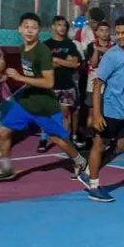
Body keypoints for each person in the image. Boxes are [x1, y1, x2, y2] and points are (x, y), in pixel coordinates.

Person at [0, 13, 89, 183]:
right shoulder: (21, 48)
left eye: (33, 28)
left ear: (39, 31)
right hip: (27, 100)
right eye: (26, 27)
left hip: (44, 103)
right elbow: (17, 67)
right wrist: (2, 75)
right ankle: (6, 168)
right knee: (2, 132)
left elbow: (49, 82)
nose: (29, 31)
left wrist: (20, 78)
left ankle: (80, 161)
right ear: (20, 29)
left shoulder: (43, 52)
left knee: (58, 139)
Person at [84, 17, 124, 203]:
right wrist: (98, 114)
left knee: (121, 147)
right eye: (118, 33)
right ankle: (93, 185)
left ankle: (88, 171)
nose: (121, 36)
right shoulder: (111, 55)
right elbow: (98, 84)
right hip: (108, 110)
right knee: (98, 145)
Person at [40, 16, 82, 152]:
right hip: (50, 85)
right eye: (59, 25)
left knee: (65, 113)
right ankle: (43, 138)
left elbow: (74, 63)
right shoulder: (46, 45)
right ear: (53, 27)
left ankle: (66, 140)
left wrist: (57, 60)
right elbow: (44, 65)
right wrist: (64, 62)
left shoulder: (70, 45)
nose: (62, 28)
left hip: (67, 85)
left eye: (64, 25)